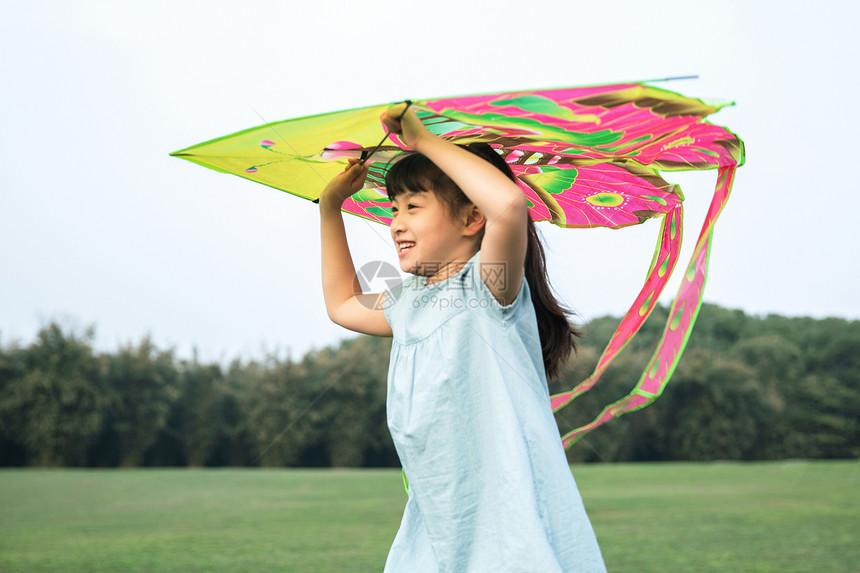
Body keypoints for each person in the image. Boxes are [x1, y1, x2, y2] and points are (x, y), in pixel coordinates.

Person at [318, 104, 606, 572]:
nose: (395, 222)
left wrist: (425, 141)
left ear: (473, 219)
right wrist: (330, 208)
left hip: (507, 518)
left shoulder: (489, 285)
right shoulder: (409, 302)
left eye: (413, 206)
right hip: (439, 520)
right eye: (394, 209)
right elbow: (341, 305)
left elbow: (509, 206)